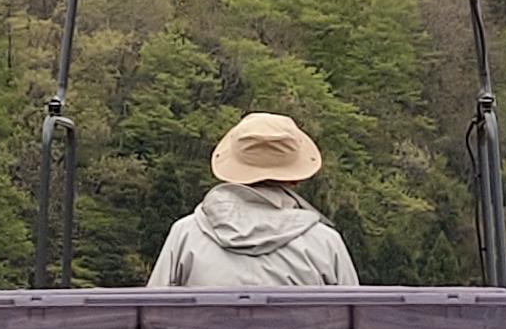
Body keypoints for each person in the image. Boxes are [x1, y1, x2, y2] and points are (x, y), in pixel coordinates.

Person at [147, 112, 358, 288]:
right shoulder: (325, 243)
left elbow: (152, 316)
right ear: (296, 178)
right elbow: (356, 323)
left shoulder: (185, 234)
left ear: (232, 170)